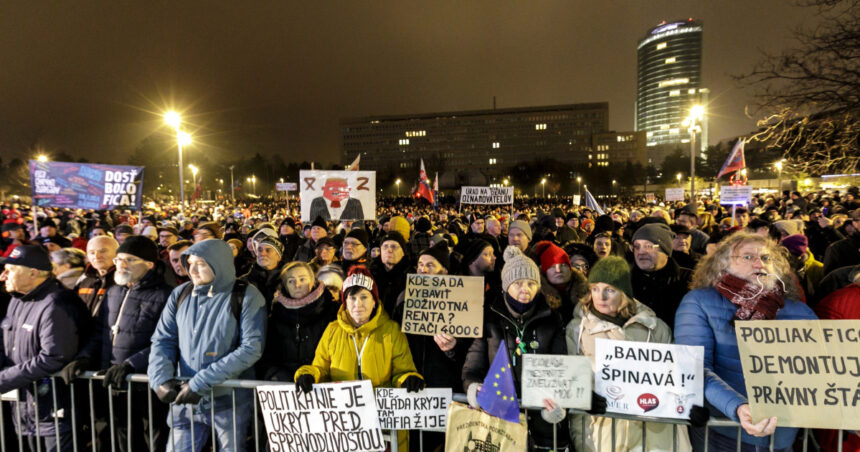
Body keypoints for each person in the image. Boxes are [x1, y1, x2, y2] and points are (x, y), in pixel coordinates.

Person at [674, 233, 817, 451]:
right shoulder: (699, 302)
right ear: (723, 265)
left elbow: (824, 369)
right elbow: (694, 369)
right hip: (723, 432)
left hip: (782, 436)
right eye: (748, 257)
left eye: (767, 258)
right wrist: (738, 407)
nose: (759, 263)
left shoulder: (798, 309)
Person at [565, 256, 696, 451]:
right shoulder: (577, 329)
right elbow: (569, 378)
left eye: (609, 290)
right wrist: (584, 398)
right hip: (603, 431)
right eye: (595, 289)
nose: (600, 297)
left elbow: (675, 377)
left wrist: (689, 405)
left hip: (652, 431)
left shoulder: (655, 328)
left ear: (624, 293)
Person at [148, 239, 266, 452]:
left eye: (200, 263)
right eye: (190, 263)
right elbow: (163, 339)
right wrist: (160, 379)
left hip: (229, 401)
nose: (191, 270)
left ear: (218, 263)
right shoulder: (180, 294)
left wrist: (200, 383)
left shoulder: (246, 295)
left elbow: (251, 348)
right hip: (184, 399)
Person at [294, 266, 424, 451]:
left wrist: (408, 379)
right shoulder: (332, 330)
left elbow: (403, 371)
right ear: (345, 301)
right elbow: (319, 367)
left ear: (374, 301)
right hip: (344, 425)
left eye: (364, 297)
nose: (358, 304)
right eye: (352, 298)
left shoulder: (391, 331)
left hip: (382, 425)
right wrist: (308, 374)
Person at [62, 236, 171, 451]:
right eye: (119, 259)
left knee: (153, 440)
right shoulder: (113, 292)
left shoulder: (165, 295)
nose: (121, 264)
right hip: (115, 382)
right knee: (123, 439)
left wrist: (131, 365)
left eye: (130, 259)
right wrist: (84, 358)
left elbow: (167, 341)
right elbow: (100, 332)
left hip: (147, 383)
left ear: (149, 265)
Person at [462, 246, 570, 451]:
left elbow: (561, 367)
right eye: (518, 283)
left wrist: (559, 404)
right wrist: (473, 387)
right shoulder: (490, 318)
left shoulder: (552, 319)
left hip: (543, 430)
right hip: (499, 425)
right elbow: (473, 364)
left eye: (531, 283)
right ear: (505, 286)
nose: (525, 289)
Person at [0, 245, 87, 452]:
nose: (3, 276)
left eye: (10, 270)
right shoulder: (17, 300)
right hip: (26, 412)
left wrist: (3, 379)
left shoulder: (57, 303)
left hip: (56, 412)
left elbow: (54, 356)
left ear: (33, 272)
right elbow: (6, 346)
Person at [258, 261, 339, 381]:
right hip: (286, 386)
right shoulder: (276, 315)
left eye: (302, 279)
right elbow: (268, 356)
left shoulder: (331, 311)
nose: (297, 285)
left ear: (312, 281)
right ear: (285, 285)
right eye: (291, 281)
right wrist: (276, 374)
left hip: (321, 383)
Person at [629, 223, 692, 329]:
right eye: (636, 246)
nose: (641, 252)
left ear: (665, 250)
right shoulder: (624, 280)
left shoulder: (688, 280)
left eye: (648, 246)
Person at [370, 231, 412, 315]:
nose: (389, 250)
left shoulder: (412, 276)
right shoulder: (370, 274)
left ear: (403, 252)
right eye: (385, 246)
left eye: (394, 247)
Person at [78, 235, 119, 317]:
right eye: (92, 253)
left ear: (117, 254)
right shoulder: (84, 280)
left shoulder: (123, 281)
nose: (97, 256)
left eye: (103, 251)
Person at [241, 235, 285, 306]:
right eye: (260, 250)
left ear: (279, 257)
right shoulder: (244, 281)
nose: (262, 253)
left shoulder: (288, 281)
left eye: (268, 250)